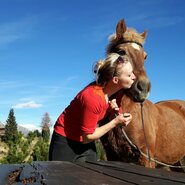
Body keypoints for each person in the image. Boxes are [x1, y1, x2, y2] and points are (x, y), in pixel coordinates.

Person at [49, 53, 136, 162]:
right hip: (66, 139)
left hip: (85, 141)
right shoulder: (92, 97)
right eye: (129, 75)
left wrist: (113, 111)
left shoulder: (113, 93)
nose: (134, 77)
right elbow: (88, 137)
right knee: (61, 177)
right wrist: (115, 122)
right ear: (115, 80)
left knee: (90, 176)